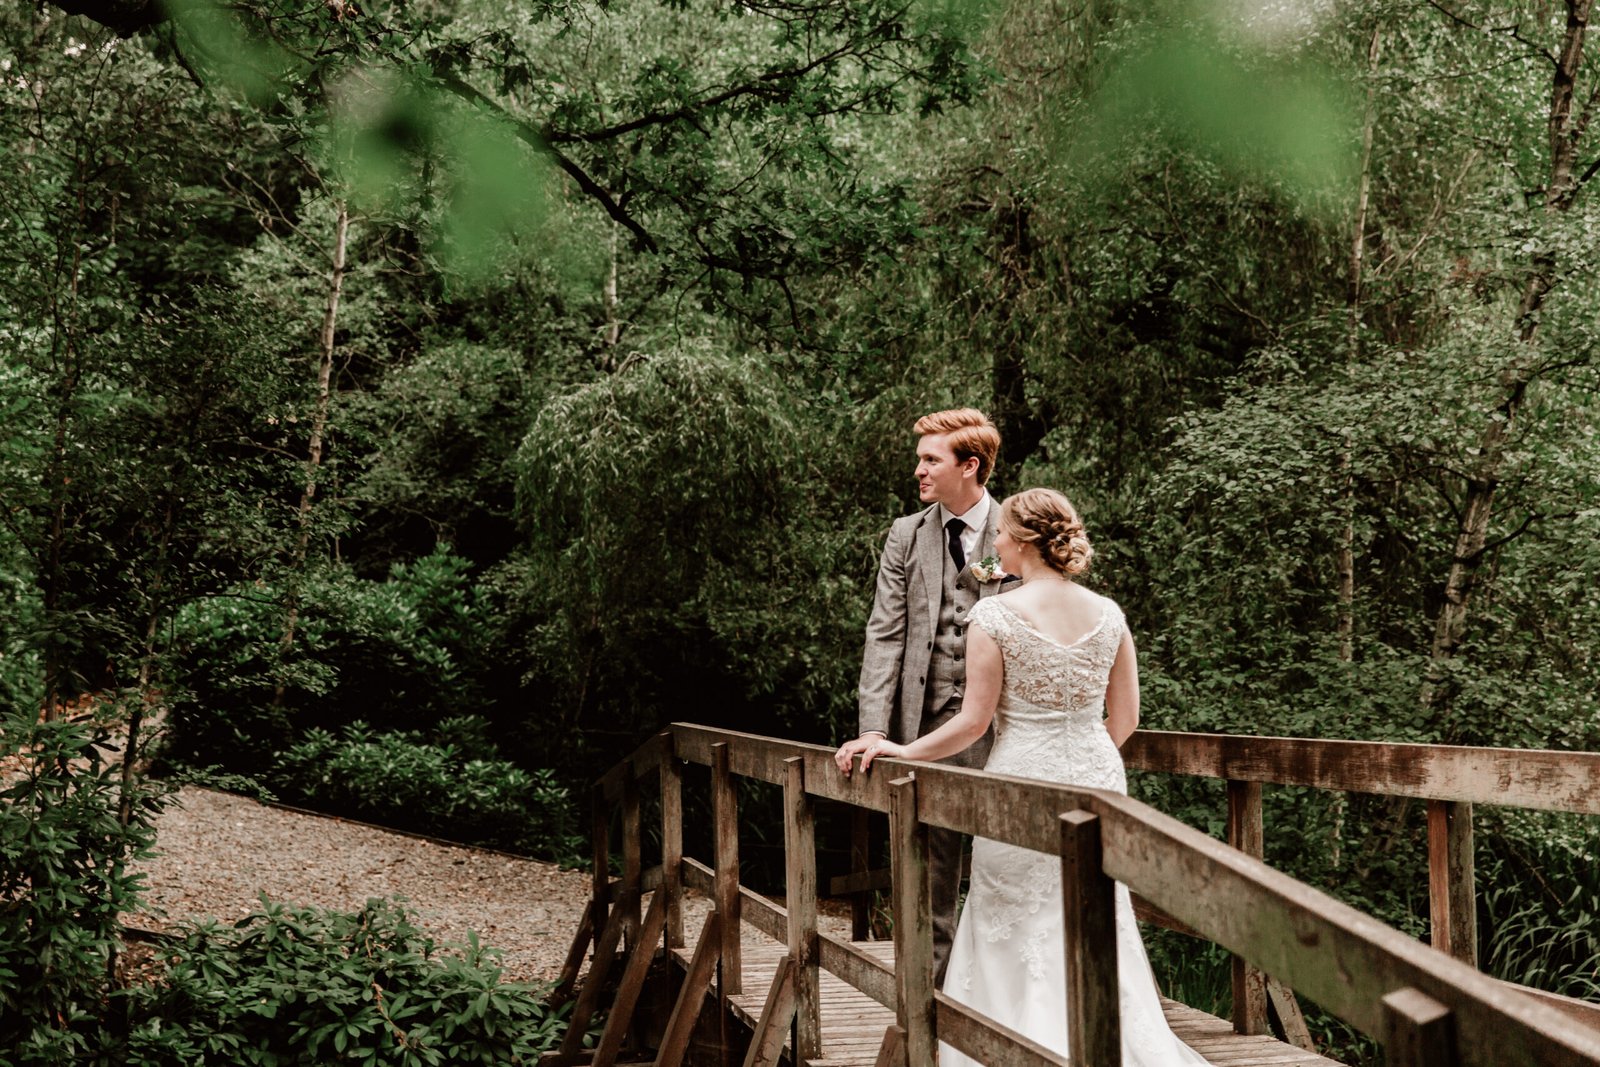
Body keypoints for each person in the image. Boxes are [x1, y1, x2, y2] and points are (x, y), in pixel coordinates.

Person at [835, 488, 1207, 1067]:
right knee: (1095, 909)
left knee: (1010, 909)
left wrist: (904, 751)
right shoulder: (1109, 613)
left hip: (1020, 777)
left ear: (1024, 542)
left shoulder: (994, 615)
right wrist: (1081, 755)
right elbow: (1126, 719)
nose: (997, 542)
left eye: (1003, 534)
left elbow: (971, 723)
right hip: (1095, 777)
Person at [853, 407, 1017, 984]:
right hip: (922, 727)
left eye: (930, 459)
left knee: (1005, 863)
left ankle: (999, 997)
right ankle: (930, 1003)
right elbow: (885, 632)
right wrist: (874, 727)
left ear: (969, 466)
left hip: (1002, 730)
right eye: (919, 458)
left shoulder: (1015, 529)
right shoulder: (906, 534)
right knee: (930, 870)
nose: (918, 469)